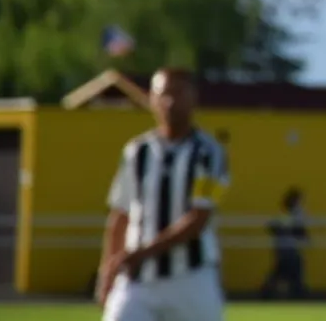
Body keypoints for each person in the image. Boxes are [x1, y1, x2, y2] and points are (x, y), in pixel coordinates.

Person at [97, 67, 231, 321]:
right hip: (137, 280)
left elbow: (199, 217)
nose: (169, 102)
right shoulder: (136, 151)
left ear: (193, 98)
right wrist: (108, 270)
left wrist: (141, 253)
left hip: (190, 278)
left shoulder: (209, 153)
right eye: (162, 94)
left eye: (178, 93)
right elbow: (120, 214)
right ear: (151, 99)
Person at [260, 188, 309, 299]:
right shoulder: (290, 214)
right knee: (290, 270)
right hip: (287, 249)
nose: (302, 204)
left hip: (286, 249)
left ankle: (266, 292)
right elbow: (297, 230)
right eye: (300, 201)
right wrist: (303, 236)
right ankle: (300, 293)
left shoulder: (291, 214)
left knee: (282, 271)